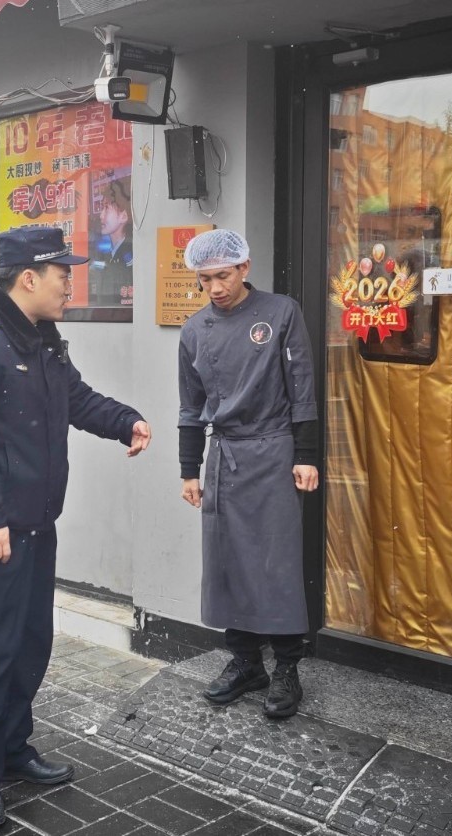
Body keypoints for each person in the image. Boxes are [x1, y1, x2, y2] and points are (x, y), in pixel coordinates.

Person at [0, 225, 151, 829]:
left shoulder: (45, 343)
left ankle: (13, 750)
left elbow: (76, 400)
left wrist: (125, 420)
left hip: (33, 526)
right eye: (62, 275)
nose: (70, 286)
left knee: (30, 644)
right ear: (28, 278)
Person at [177, 228, 319, 720]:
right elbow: (190, 406)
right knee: (227, 561)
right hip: (225, 456)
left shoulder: (281, 312)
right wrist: (187, 469)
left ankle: (286, 668)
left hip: (275, 449)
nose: (215, 287)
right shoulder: (195, 330)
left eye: (222, 275)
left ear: (244, 269)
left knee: (275, 561)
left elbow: (302, 388)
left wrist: (306, 454)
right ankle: (244, 661)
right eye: (205, 278)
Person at [88, 176, 133, 307]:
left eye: (107, 208)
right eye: (102, 208)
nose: (101, 215)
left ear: (123, 216)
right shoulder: (107, 251)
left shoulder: (130, 251)